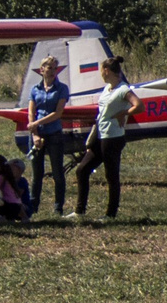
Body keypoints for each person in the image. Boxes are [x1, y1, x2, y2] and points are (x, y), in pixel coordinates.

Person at [74, 56, 138, 220]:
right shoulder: (108, 88)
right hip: (100, 135)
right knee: (82, 170)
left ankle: (111, 213)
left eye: (101, 70)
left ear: (107, 71)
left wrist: (124, 113)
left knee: (111, 175)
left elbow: (139, 105)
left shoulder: (123, 89)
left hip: (113, 137)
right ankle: (79, 210)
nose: (101, 73)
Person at [25, 55, 71, 216]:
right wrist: (35, 135)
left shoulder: (62, 89)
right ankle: (33, 206)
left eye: (54, 68)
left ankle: (58, 207)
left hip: (54, 133)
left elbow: (58, 113)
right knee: (37, 174)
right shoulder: (35, 89)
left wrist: (37, 123)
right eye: (48, 68)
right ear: (41, 70)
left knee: (58, 172)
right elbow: (31, 112)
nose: (51, 71)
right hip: (38, 133)